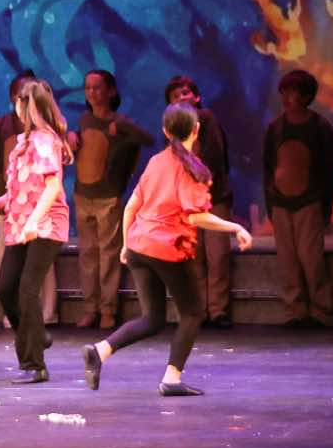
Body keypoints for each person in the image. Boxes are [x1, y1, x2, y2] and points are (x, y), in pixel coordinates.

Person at [83, 102, 254, 395]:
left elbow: (131, 206)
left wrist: (126, 244)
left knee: (152, 318)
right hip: (166, 247)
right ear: (196, 130)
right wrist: (235, 227)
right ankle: (172, 379)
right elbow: (195, 216)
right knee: (192, 312)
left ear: (165, 131)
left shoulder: (156, 162)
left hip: (140, 246)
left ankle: (100, 351)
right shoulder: (190, 169)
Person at [0, 78, 71, 382]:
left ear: (24, 105)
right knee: (6, 287)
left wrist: (34, 220)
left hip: (45, 225)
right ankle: (36, 335)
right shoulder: (24, 142)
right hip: (20, 225)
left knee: (27, 289)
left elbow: (52, 186)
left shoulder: (44, 141)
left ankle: (34, 364)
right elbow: (19, 190)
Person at [71, 69, 155, 330]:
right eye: (88, 87)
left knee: (108, 255)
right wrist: (71, 137)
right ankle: (90, 307)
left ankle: (108, 309)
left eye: (97, 87)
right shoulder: (85, 120)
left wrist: (124, 128)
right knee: (87, 254)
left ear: (111, 91)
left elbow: (147, 139)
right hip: (83, 195)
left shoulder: (119, 121)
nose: (92, 92)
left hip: (108, 197)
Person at [263, 69, 333, 328]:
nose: (287, 98)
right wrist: (270, 201)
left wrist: (325, 205)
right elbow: (268, 167)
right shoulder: (275, 128)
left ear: (306, 96)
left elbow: (330, 169)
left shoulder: (320, 127)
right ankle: (294, 311)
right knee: (288, 260)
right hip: (280, 202)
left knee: (311, 258)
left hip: (310, 201)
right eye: (284, 93)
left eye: (293, 93)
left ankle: (322, 311)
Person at [164, 76, 235, 328]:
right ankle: (199, 310)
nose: (181, 98)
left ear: (196, 97)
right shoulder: (173, 129)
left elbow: (214, 156)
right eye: (175, 96)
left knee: (217, 256)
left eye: (186, 93)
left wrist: (201, 184)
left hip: (212, 198)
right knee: (194, 258)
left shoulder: (206, 118)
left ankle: (218, 310)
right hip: (186, 203)